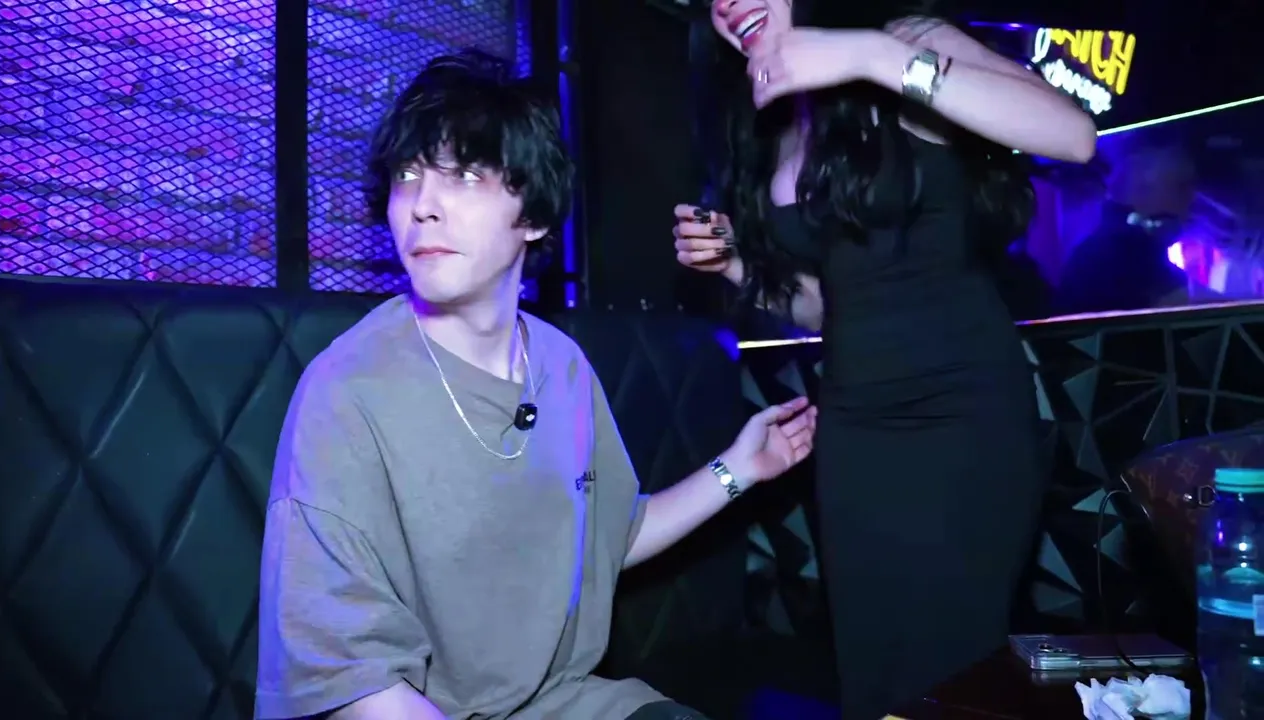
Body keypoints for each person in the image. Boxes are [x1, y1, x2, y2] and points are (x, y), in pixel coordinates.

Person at [255, 51, 817, 720]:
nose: (423, 206)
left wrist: (740, 469)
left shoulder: (560, 363)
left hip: (566, 702)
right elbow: (354, 683)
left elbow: (608, 538)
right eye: (408, 176)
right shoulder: (347, 391)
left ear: (535, 217)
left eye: (466, 175)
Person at [675, 1, 1097, 718]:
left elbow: (1072, 135)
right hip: (856, 432)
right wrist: (737, 265)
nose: (726, 3)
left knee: (951, 670)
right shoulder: (776, 118)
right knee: (871, 671)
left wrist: (872, 56)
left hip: (964, 418)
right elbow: (827, 307)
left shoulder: (904, 40)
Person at [1056, 145, 1195, 315]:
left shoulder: (1100, 245)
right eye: (1181, 187)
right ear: (1141, 189)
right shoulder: (1131, 251)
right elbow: (1177, 302)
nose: (1191, 198)